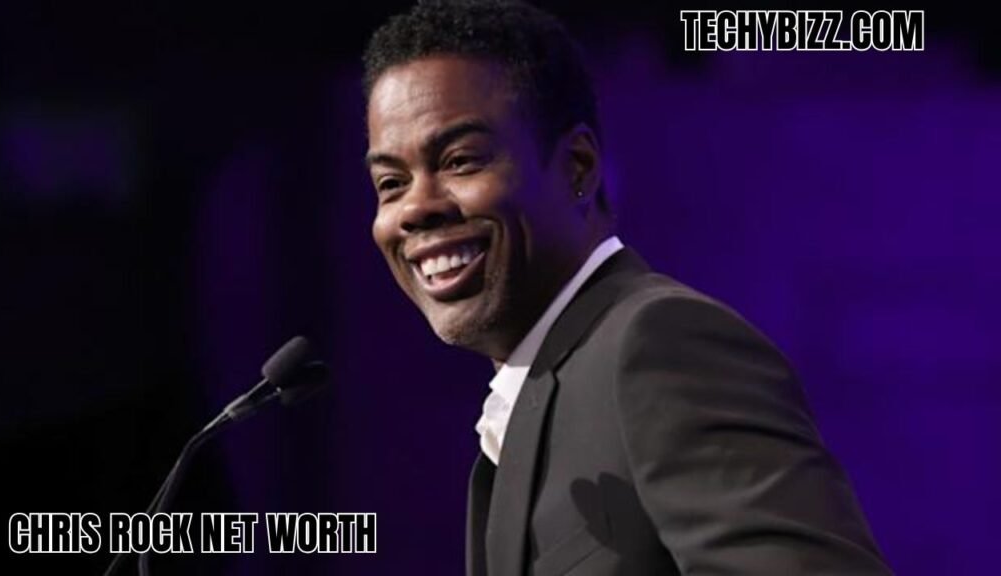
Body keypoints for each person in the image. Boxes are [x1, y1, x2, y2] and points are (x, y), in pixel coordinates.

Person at [362, 1, 892, 574]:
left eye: (461, 160)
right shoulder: (541, 392)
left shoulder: (660, 344)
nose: (414, 208)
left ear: (578, 167)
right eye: (391, 183)